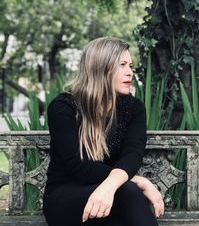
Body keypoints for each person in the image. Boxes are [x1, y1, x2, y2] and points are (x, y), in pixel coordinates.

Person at [43, 37, 164, 226]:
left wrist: (109, 187)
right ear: (101, 68)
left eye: (130, 66)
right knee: (129, 191)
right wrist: (140, 181)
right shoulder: (64, 107)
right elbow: (78, 167)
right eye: (122, 65)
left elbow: (133, 154)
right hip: (66, 197)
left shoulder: (133, 108)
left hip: (111, 196)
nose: (130, 72)